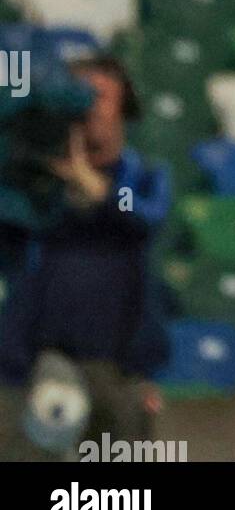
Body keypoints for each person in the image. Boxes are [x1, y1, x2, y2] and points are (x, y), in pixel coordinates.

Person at [0, 55, 170, 460]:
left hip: (118, 369)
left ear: (124, 108)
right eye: (76, 95)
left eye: (98, 95)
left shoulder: (139, 175)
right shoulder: (29, 180)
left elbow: (142, 216)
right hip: (36, 365)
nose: (86, 106)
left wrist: (90, 184)